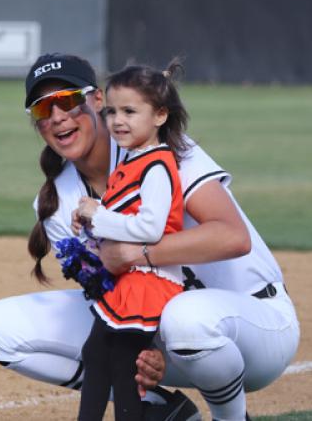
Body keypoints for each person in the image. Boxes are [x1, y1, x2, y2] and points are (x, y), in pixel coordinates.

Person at [0, 53, 300, 421]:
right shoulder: (55, 203)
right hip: (155, 332)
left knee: (186, 319)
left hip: (254, 325)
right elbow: (108, 292)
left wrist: (136, 253)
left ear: (97, 100)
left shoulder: (158, 146)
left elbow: (232, 238)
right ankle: (162, 409)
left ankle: (232, 418)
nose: (57, 117)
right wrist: (141, 350)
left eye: (67, 101)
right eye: (42, 109)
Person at [70, 61, 188, 420]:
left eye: (130, 111)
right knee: (97, 354)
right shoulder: (136, 160)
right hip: (133, 279)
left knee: (122, 363)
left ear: (160, 116)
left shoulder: (157, 165)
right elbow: (124, 215)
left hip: (149, 280)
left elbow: (150, 229)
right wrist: (91, 218)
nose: (118, 120)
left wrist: (99, 216)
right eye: (112, 111)